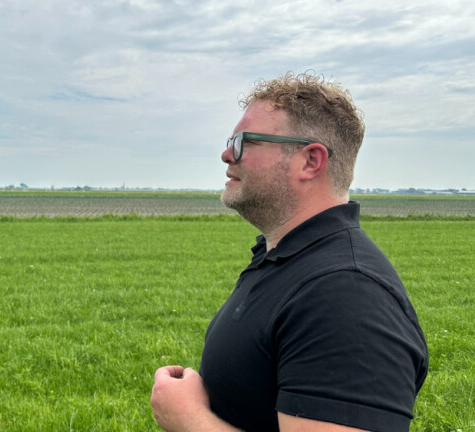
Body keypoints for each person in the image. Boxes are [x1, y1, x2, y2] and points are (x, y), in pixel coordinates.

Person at [150, 72, 428, 432]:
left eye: (242, 142)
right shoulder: (285, 258)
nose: (225, 154)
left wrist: (190, 420)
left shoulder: (345, 294)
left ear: (310, 161)